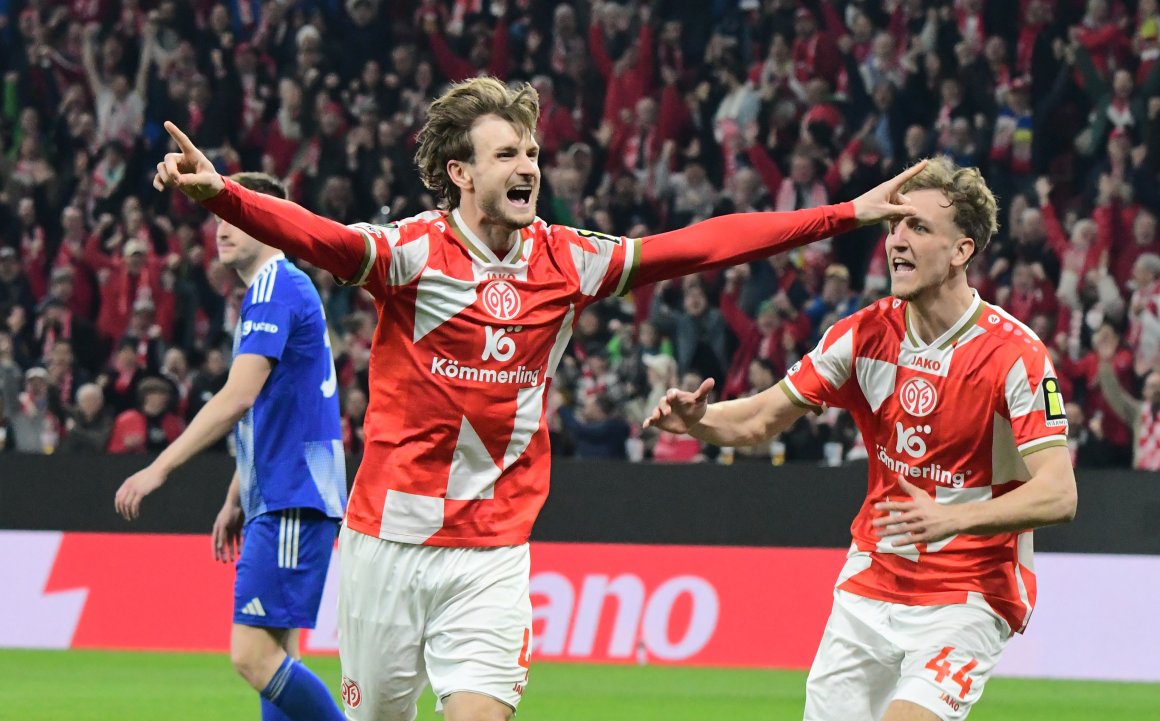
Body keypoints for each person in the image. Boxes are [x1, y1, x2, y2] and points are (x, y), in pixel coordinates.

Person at [150, 76, 923, 721]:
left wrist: (845, 213)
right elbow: (316, 235)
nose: (528, 166)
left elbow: (705, 241)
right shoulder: (411, 253)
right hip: (386, 541)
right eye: (507, 153)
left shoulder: (569, 260)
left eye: (532, 152)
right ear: (461, 172)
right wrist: (221, 193)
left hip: (491, 551)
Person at [644, 156, 1077, 721]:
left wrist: (954, 518)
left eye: (918, 227)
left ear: (962, 250)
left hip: (968, 594)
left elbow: (1058, 494)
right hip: (871, 580)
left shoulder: (1014, 355)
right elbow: (761, 417)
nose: (896, 239)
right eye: (893, 225)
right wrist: (698, 422)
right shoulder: (865, 334)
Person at [113, 173, 347, 721]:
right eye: (219, 216)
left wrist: (159, 467)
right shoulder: (275, 289)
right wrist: (237, 493)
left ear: (270, 223)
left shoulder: (275, 287)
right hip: (285, 491)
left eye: (236, 214)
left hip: (295, 493)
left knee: (251, 657)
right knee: (276, 657)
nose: (223, 226)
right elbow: (274, 405)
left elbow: (238, 397)